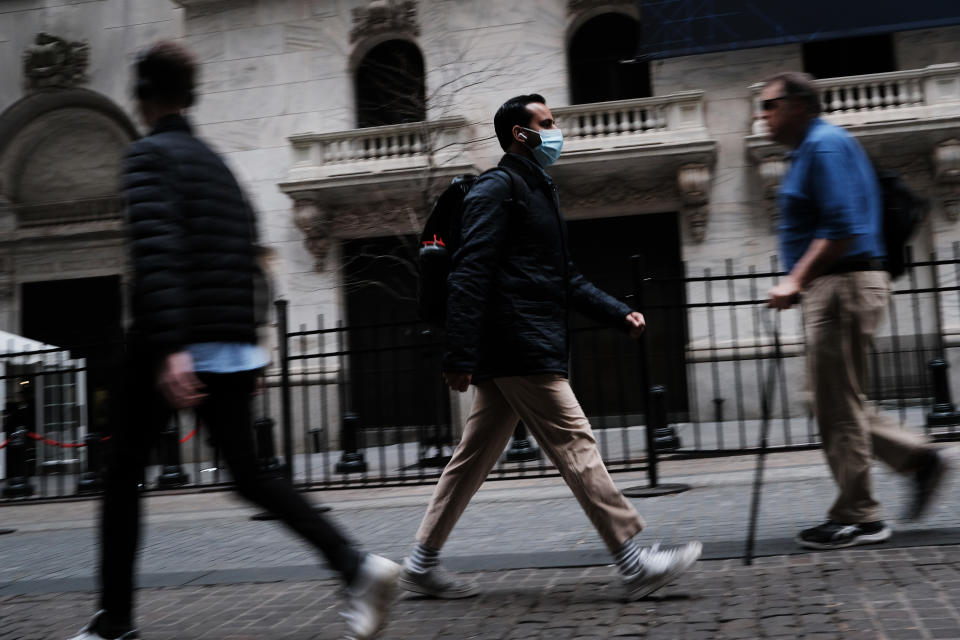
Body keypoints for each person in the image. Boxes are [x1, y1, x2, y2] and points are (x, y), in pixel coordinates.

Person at [68, 41, 400, 640]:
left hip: (170, 340)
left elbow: (156, 252)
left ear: (142, 97)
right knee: (250, 474)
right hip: (227, 341)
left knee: (121, 475)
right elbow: (251, 259)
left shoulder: (147, 158)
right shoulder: (217, 164)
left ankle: (114, 621)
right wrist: (254, 346)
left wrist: (170, 347)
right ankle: (356, 565)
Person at [399, 93, 702, 601]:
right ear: (521, 134)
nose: (556, 130)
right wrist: (459, 354)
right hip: (518, 341)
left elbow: (562, 277)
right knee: (575, 442)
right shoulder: (498, 189)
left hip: (520, 340)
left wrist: (615, 310)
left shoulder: (538, 191)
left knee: (472, 457)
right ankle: (633, 561)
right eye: (547, 122)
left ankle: (420, 562)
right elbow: (471, 272)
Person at [762, 71, 951, 550]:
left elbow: (842, 226)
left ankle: (861, 516)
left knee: (835, 405)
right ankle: (918, 459)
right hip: (839, 287)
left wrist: (794, 280)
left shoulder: (823, 146)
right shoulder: (811, 149)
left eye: (769, 105)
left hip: (841, 287)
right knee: (825, 399)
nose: (762, 115)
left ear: (799, 105)